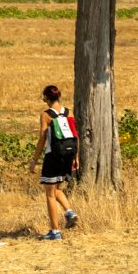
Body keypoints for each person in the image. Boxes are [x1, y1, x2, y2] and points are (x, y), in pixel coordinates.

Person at [31, 83, 81, 239]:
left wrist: (34, 160)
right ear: (58, 96)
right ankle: (69, 212)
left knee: (50, 194)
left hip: (53, 156)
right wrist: (76, 158)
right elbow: (75, 136)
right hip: (67, 155)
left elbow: (42, 139)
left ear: (46, 98)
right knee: (56, 188)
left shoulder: (46, 115)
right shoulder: (69, 112)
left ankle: (55, 231)